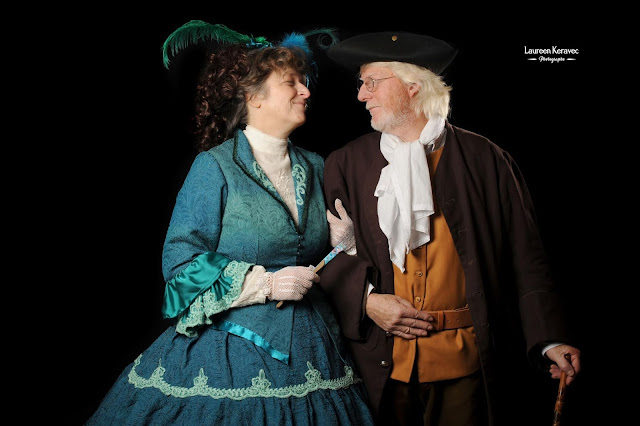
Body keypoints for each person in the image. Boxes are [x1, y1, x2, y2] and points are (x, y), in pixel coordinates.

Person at [86, 21, 374, 425]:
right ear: (252, 96)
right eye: (291, 83)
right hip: (230, 349)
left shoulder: (318, 166)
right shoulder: (215, 167)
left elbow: (326, 262)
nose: (306, 91)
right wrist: (265, 283)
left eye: (304, 82)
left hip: (315, 347)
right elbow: (180, 267)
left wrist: (349, 246)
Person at [318, 31, 582, 426]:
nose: (361, 95)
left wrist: (551, 338)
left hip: (466, 363)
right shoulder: (344, 163)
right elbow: (321, 256)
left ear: (412, 86)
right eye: (361, 83)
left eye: (371, 82)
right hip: (378, 366)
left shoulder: (487, 159)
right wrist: (367, 301)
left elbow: (526, 255)